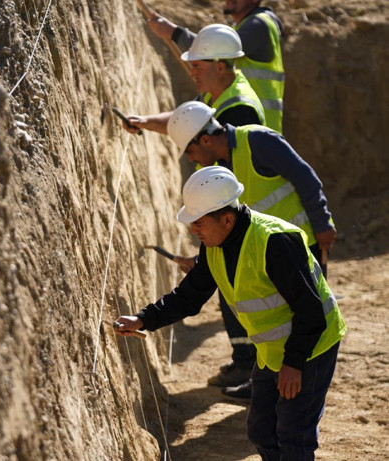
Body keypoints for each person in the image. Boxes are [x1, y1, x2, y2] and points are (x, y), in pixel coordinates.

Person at [115, 166, 346, 460]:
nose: (193, 230)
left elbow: (310, 311)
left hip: (312, 346)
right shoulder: (214, 246)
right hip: (272, 350)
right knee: (262, 430)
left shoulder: (275, 242)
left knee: (294, 435)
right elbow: (188, 297)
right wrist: (143, 319)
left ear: (227, 219)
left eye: (199, 223)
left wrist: (294, 363)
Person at [166, 101, 337, 400]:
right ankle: (264, 382)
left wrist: (323, 223)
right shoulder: (217, 174)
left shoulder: (258, 141)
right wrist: (205, 260)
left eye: (190, 151)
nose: (191, 159)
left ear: (204, 140)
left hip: (297, 247)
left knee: (301, 315)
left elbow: (305, 177)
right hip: (259, 250)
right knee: (266, 313)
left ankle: (298, 388)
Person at [146, 0, 285, 132]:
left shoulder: (259, 25)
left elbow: (209, 51)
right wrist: (145, 122)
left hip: (253, 129)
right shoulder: (242, 28)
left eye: (198, 66)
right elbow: (186, 118)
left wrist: (174, 33)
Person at [123, 24, 265, 136]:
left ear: (220, 68)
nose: (192, 73)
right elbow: (184, 120)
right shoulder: (213, 91)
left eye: (197, 66)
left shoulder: (240, 111)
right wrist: (145, 122)